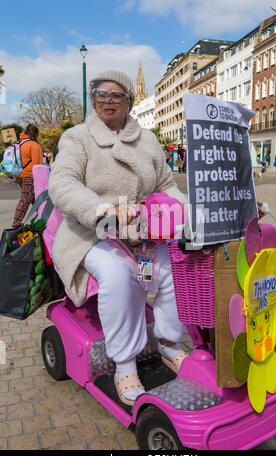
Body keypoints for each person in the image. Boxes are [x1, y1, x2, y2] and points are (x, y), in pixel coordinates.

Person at [48, 70, 187, 406]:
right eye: (100, 93)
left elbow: (166, 186)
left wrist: (188, 210)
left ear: (129, 101)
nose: (107, 100)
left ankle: (169, 342)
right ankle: (125, 363)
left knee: (174, 265)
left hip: (144, 231)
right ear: (94, 98)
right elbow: (62, 184)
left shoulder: (149, 140)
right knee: (117, 274)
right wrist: (100, 209)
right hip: (89, 231)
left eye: (116, 94)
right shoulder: (77, 138)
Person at [12, 124, 43, 227]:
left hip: (21, 175)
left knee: (34, 199)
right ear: (35, 133)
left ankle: (44, 218)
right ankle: (16, 223)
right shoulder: (34, 145)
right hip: (30, 175)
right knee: (25, 199)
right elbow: (37, 164)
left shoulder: (20, 143)